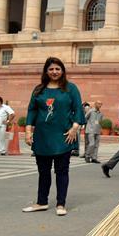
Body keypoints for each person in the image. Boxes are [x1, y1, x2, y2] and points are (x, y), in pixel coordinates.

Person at [22, 57, 85, 216]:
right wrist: (28, 132)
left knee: (62, 171)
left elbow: (78, 109)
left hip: (63, 136)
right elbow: (32, 111)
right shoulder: (39, 90)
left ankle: (61, 204)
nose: (54, 72)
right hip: (42, 137)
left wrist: (74, 128)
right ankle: (41, 202)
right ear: (46, 71)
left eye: (57, 69)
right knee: (43, 171)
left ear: (62, 71)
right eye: (51, 69)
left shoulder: (70, 89)